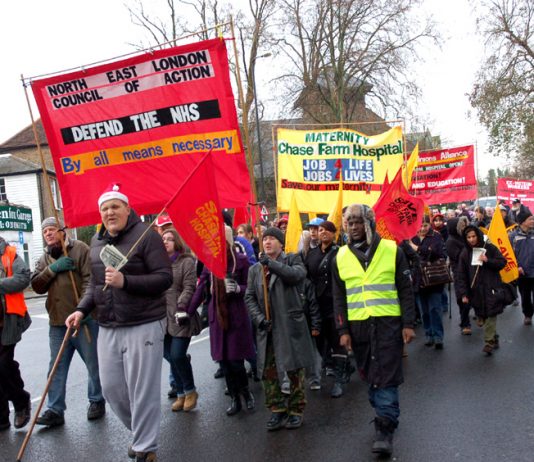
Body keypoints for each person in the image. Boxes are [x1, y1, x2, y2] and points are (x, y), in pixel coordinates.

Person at [65, 184, 172, 462]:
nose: (110, 212)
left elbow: (164, 278)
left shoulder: (147, 236)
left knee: (142, 389)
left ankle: (145, 448)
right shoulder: (98, 242)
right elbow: (94, 286)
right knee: (112, 389)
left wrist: (127, 282)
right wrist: (80, 310)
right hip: (109, 324)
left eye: (115, 206)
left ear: (127, 209)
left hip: (144, 322)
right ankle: (140, 435)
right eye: (104, 208)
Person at [332, 204, 415, 456]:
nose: (354, 227)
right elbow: (338, 297)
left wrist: (409, 323)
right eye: (349, 223)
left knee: (386, 376)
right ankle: (382, 411)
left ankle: (385, 429)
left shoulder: (392, 250)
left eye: (358, 222)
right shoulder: (340, 256)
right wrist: (342, 329)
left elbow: (405, 289)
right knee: (370, 375)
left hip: (388, 325)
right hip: (358, 328)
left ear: (370, 222)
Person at [31, 217, 105, 427]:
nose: (49, 234)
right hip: (57, 322)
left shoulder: (80, 249)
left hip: (83, 320)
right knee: (56, 367)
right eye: (45, 232)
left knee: (93, 364)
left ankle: (96, 400)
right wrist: (53, 270)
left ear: (62, 231)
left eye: (52, 230)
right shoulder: (45, 258)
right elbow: (36, 286)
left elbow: (90, 281)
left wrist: (84, 309)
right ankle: (55, 409)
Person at [245, 227, 319, 431]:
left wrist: (272, 264)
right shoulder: (255, 270)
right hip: (267, 328)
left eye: (271, 239)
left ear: (280, 243)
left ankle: (296, 409)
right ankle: (277, 409)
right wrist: (259, 319)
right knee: (269, 372)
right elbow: (249, 297)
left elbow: (296, 276)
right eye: (265, 239)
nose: (267, 242)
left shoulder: (292, 260)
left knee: (294, 370)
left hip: (289, 326)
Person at [189, 226, 256, 416]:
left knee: (235, 362)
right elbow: (200, 289)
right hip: (217, 318)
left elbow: (251, 287)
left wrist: (237, 289)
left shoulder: (240, 261)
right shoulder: (210, 264)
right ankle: (234, 398)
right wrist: (187, 311)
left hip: (236, 317)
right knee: (224, 363)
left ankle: (246, 393)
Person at [304, 220, 348, 398]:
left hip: (335, 303)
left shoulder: (341, 253)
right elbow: (306, 277)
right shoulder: (311, 254)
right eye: (320, 230)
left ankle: (339, 379)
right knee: (320, 340)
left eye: (327, 230)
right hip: (316, 304)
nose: (323, 233)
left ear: (334, 233)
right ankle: (340, 366)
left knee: (337, 340)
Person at [161, 228, 199, 413]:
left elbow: (190, 286)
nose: (166, 242)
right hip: (161, 317)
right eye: (163, 239)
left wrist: (182, 306)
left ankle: (190, 391)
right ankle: (181, 394)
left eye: (169, 239)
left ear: (176, 242)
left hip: (180, 315)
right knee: (170, 356)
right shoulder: (157, 263)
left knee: (176, 354)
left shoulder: (186, 261)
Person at [455, 225, 507, 354]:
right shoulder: (465, 253)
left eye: (473, 236)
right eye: (468, 237)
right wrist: (463, 293)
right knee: (483, 316)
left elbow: (502, 262)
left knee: (491, 314)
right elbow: (461, 275)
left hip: (491, 288)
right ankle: (494, 337)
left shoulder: (489, 248)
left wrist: (488, 260)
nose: (471, 239)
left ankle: (488, 342)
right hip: (475, 291)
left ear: (478, 235)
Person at [0, 237, 31, 431]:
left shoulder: (9, 253)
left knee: (2, 365)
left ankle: (21, 401)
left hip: (7, 322)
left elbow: (23, 278)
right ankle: (2, 417)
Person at [411, 216, 446, 349]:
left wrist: (417, 248)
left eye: (425, 225)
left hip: (433, 279)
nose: (422, 228)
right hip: (418, 279)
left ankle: (438, 336)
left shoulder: (435, 236)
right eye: (420, 225)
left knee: (435, 309)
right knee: (424, 311)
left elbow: (436, 252)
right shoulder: (411, 238)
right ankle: (428, 334)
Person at [445, 217, 472, 334]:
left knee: (473, 295)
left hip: (470, 271)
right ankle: (465, 323)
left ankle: (477, 316)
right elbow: (459, 257)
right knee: (463, 298)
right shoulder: (450, 241)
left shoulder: (463, 238)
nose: (462, 228)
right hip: (459, 273)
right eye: (460, 226)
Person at [510, 210, 534, 325]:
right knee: (525, 296)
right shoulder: (513, 236)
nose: (533, 221)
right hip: (522, 272)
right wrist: (517, 267)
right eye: (530, 219)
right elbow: (509, 255)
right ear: (523, 222)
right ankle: (527, 315)